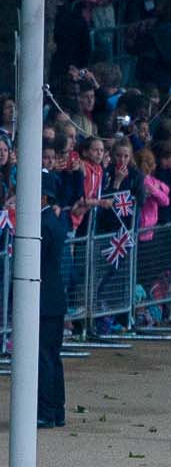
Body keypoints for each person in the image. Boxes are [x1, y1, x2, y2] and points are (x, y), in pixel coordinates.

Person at [35, 181, 69, 428]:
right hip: (53, 297)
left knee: (45, 357)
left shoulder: (43, 224)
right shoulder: (53, 222)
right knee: (52, 356)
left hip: (44, 298)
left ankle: (47, 411)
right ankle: (56, 410)